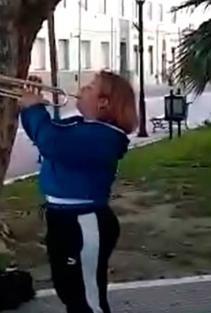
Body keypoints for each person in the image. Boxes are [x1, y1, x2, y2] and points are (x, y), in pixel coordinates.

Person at [19, 70, 139, 313]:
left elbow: (51, 142)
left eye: (90, 87)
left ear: (103, 102)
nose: (82, 88)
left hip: (83, 222)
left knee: (86, 300)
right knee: (69, 290)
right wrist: (30, 107)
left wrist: (34, 108)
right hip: (63, 219)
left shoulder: (104, 137)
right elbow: (42, 135)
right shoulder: (82, 127)